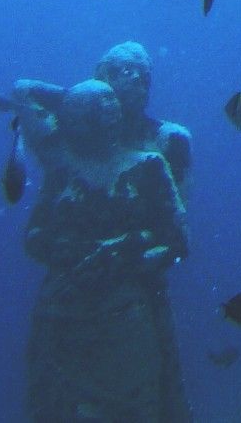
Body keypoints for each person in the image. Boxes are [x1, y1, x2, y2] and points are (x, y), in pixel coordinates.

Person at [20, 78, 191, 422]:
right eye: (92, 111)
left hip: (126, 318)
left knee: (134, 408)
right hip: (63, 315)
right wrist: (78, 253)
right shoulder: (63, 171)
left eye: (109, 106)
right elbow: (34, 237)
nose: (109, 114)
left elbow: (177, 240)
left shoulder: (148, 165)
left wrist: (125, 253)